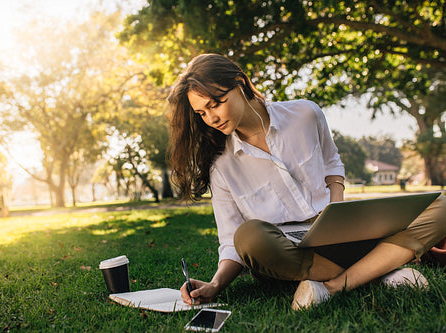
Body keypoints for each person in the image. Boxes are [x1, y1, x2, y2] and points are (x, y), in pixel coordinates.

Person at [167, 53, 446, 310]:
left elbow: (332, 164)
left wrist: (337, 212)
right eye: (202, 113)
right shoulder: (222, 165)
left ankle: (334, 286)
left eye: (215, 104)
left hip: (341, 233)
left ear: (240, 83)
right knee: (248, 238)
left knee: (441, 206)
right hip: (289, 252)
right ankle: (383, 268)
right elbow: (231, 241)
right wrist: (215, 285)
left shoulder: (305, 114)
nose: (211, 118)